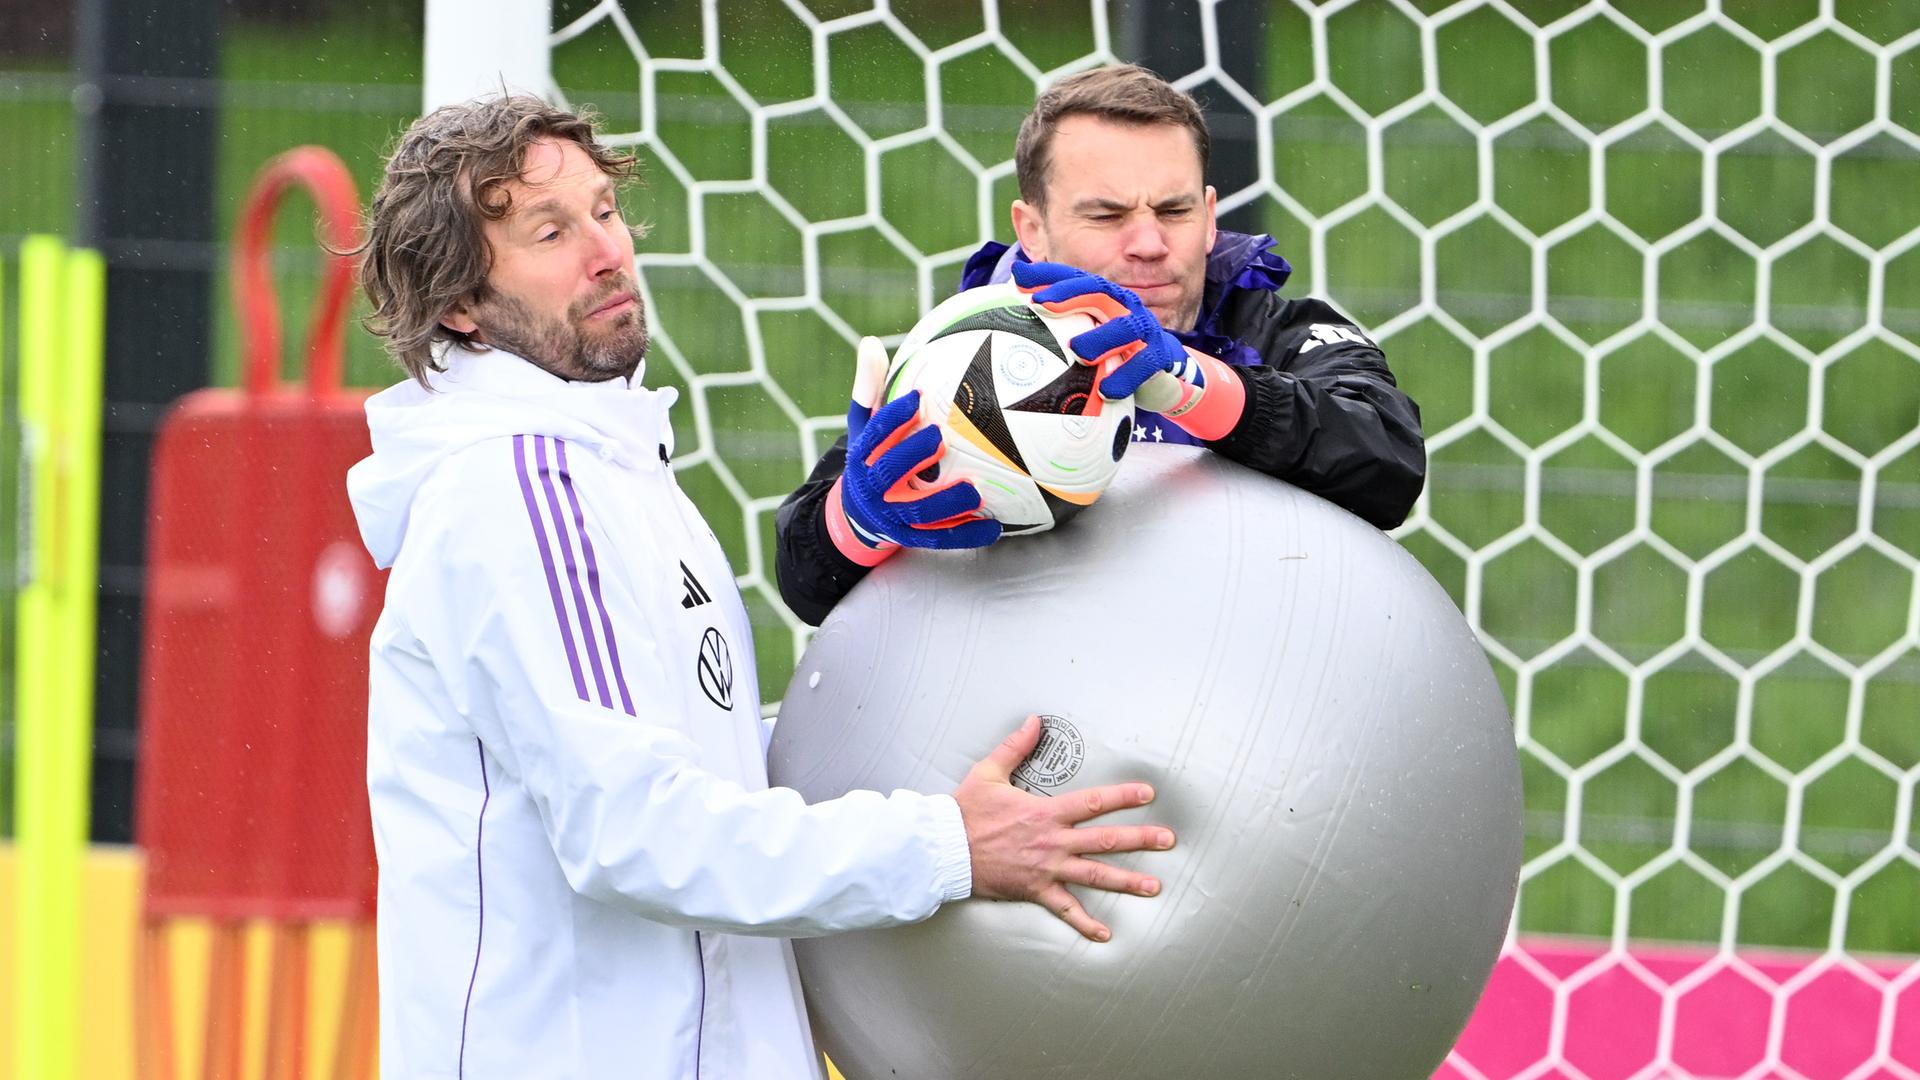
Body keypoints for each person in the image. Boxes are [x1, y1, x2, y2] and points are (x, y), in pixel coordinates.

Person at [346, 95, 1174, 1080]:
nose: (606, 251)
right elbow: (634, 832)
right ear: (458, 304)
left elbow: (711, 786)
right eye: (550, 232)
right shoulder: (518, 494)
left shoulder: (618, 474)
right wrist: (945, 842)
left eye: (605, 211)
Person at [775, 64, 1427, 626]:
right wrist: (856, 517)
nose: (1148, 243)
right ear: (1030, 230)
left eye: (1174, 212)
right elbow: (805, 583)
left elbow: (1390, 466)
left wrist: (1193, 386)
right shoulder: (967, 365)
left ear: (1209, 217)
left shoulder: (1273, 332)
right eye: (1107, 216)